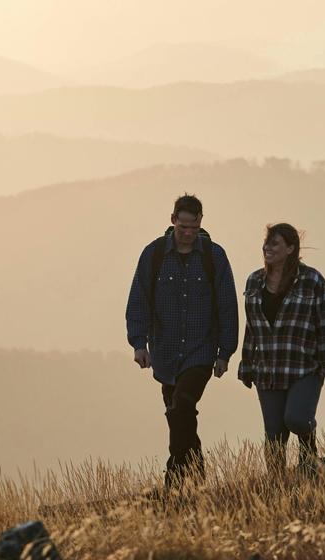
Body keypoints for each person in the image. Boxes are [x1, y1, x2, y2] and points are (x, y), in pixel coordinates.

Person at [125, 193, 239, 488]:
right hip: (165, 352)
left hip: (201, 350)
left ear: (201, 222)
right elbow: (138, 300)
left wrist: (225, 353)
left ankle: (173, 479)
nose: (188, 233)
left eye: (193, 226)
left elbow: (227, 305)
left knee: (183, 404)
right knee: (177, 413)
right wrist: (139, 344)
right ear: (173, 220)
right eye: (183, 226)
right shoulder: (154, 255)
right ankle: (197, 469)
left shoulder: (215, 256)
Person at [237, 223, 325, 478]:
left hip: (304, 367)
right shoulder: (254, 281)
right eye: (266, 242)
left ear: (291, 248)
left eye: (275, 243)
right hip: (268, 370)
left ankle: (310, 457)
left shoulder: (313, 281)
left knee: (297, 419)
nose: (267, 247)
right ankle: (278, 484)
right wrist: (247, 364)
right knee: (274, 435)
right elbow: (251, 327)